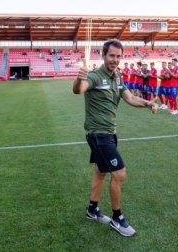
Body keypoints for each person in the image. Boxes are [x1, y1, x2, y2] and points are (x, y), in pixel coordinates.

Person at [72, 39, 158, 237]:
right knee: (119, 174)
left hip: (110, 133)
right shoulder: (94, 76)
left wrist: (147, 103)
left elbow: (129, 98)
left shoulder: (117, 77)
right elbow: (79, 89)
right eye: (112, 56)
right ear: (103, 55)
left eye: (119, 56)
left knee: (101, 171)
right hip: (98, 134)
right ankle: (117, 218)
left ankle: (92, 209)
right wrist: (79, 79)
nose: (115, 60)